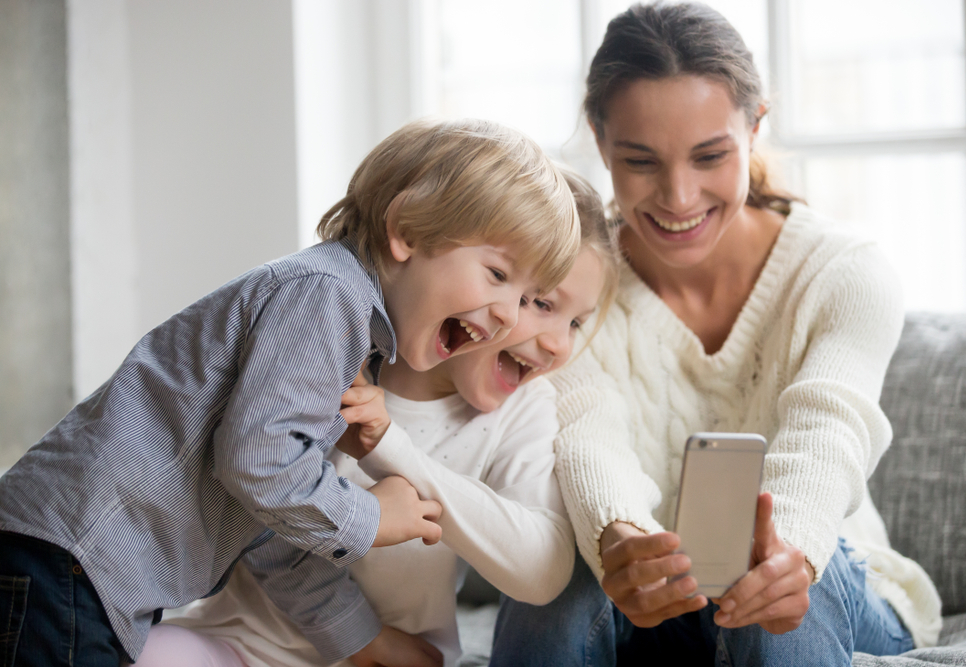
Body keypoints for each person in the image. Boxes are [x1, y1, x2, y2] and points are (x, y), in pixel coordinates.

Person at [0, 118, 581, 667]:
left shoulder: (349, 338)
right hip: (69, 560)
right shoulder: (327, 296)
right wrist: (370, 517)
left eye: (530, 294)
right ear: (406, 231)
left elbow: (268, 523)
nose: (509, 314)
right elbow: (258, 462)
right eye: (499, 276)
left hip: (75, 566)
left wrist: (361, 638)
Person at [490, 4, 942, 666]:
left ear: (755, 126)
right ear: (598, 136)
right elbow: (587, 433)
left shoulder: (844, 272)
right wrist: (618, 539)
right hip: (649, 600)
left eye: (710, 156)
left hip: (820, 576)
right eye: (640, 160)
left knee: (774, 583)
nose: (678, 197)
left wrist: (788, 548)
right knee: (555, 575)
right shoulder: (568, 287)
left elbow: (827, 433)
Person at [128, 168, 621, 667]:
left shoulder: (524, 409)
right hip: (242, 642)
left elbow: (541, 573)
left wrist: (394, 450)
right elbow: (261, 502)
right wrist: (356, 634)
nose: (560, 344)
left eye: (576, 321)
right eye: (539, 303)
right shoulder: (339, 348)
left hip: (399, 659)